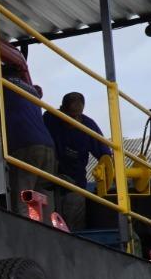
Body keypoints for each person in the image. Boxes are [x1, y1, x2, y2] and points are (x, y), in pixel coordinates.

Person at [43, 92, 105, 231]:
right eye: (71, 116)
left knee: (74, 227)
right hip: (49, 181)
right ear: (62, 109)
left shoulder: (88, 125)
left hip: (75, 184)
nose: (75, 120)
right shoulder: (50, 118)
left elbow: (105, 153)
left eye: (78, 116)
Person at [1, 74, 57, 215]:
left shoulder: (2, 86)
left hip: (25, 146)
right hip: (48, 148)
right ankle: (49, 230)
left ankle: (24, 230)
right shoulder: (31, 91)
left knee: (23, 196)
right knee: (43, 197)